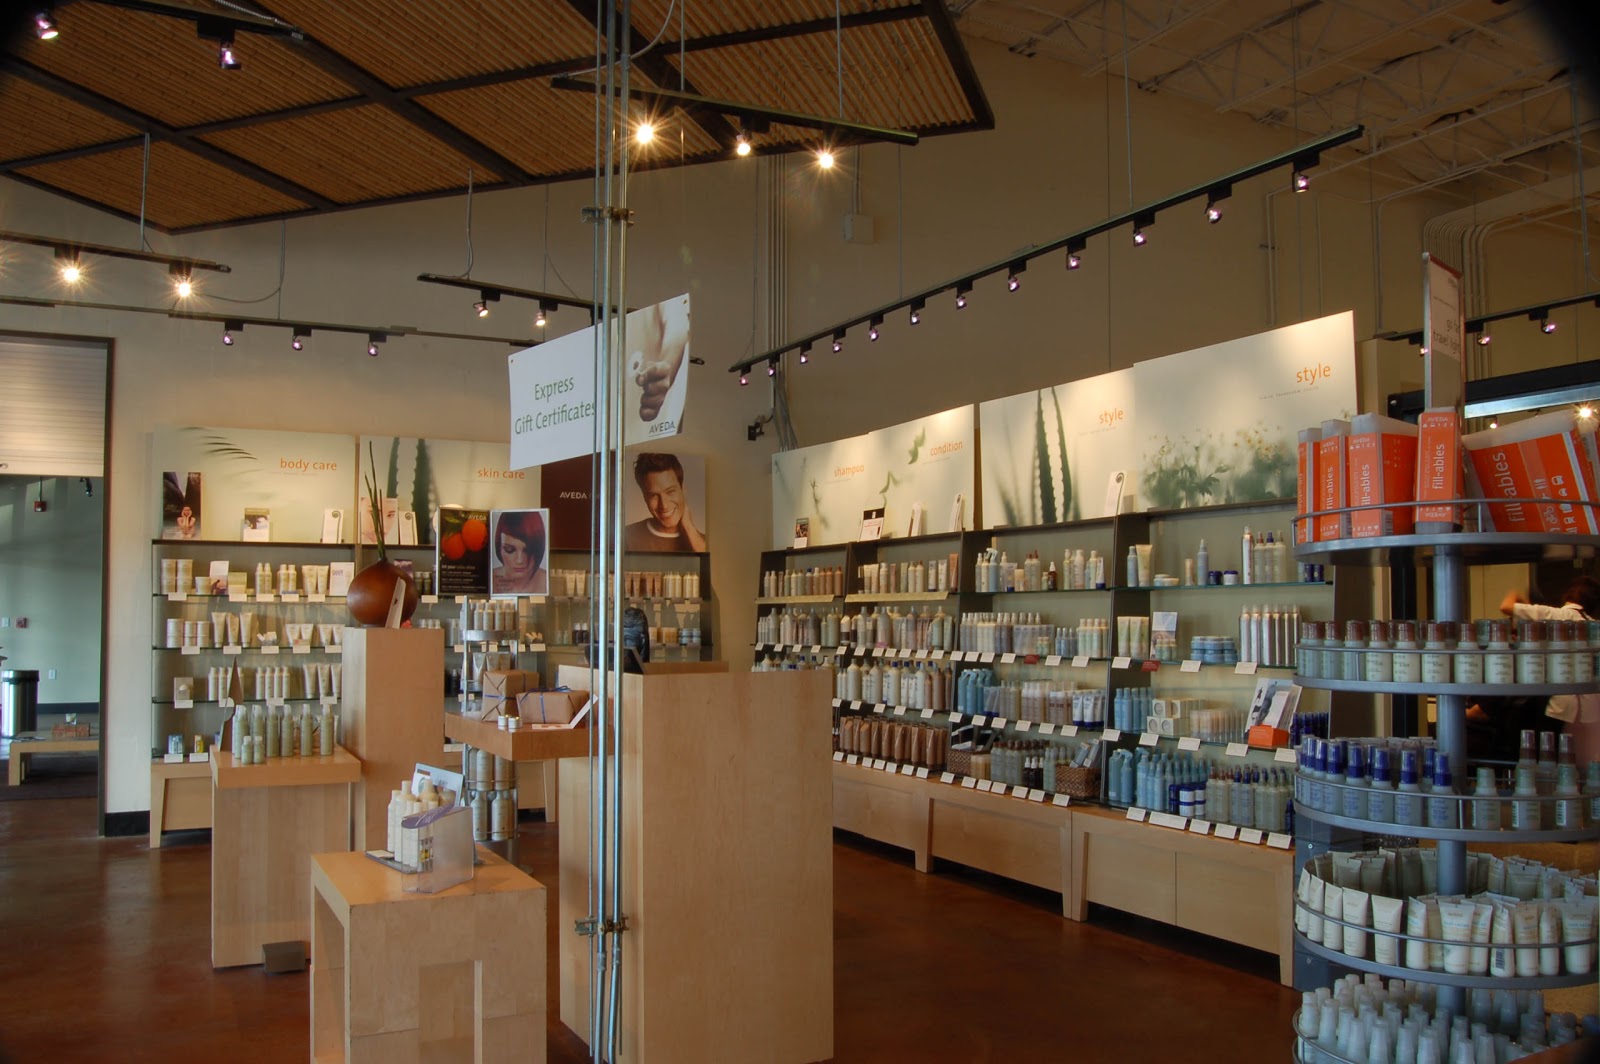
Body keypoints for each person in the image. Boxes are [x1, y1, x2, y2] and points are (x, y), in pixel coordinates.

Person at [1499, 575, 1600, 761]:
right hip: (1591, 708)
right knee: (1581, 759)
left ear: (1568, 595)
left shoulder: (1555, 615)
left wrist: (1517, 594)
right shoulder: (1594, 626)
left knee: (1549, 755)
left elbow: (1506, 606)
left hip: (1561, 704)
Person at [624, 453, 706, 552]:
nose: (664, 505)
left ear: (683, 490)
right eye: (654, 495)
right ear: (645, 498)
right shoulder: (626, 537)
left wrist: (688, 527)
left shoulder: (704, 541)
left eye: (670, 491)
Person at [490, 511, 547, 595]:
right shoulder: (489, 581)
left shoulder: (548, 582)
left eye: (528, 550)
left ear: (538, 549)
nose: (519, 560)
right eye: (509, 549)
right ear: (499, 547)